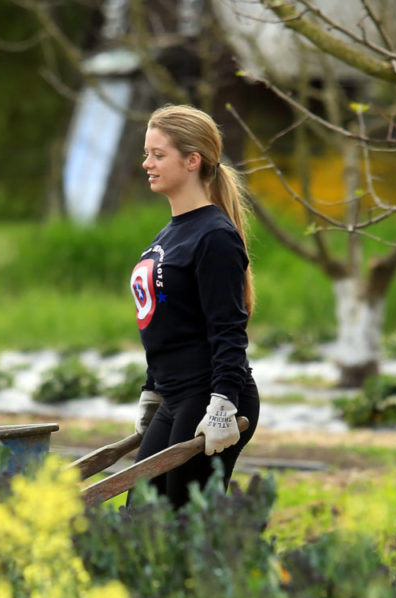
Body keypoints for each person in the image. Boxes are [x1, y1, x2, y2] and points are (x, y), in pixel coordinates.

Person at [127, 104, 260, 509]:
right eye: (147, 153)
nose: (147, 163)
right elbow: (168, 322)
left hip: (210, 397)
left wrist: (224, 402)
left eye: (157, 154)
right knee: (140, 518)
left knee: (185, 526)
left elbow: (228, 329)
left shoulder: (214, 236)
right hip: (176, 396)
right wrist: (152, 390)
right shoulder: (171, 233)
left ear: (192, 161)